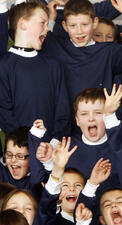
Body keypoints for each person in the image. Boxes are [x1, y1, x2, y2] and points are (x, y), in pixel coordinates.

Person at [33, 85, 122, 199]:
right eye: (84, 114)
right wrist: (49, 163)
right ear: (77, 120)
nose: (91, 118)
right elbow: (54, 195)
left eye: (98, 113)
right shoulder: (65, 149)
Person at [40, 0, 122, 114]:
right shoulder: (57, 48)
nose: (79, 31)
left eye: (85, 25)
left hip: (100, 122)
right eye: (73, 26)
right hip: (64, 124)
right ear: (65, 26)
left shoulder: (108, 51)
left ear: (95, 22)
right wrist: (50, 19)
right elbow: (45, 42)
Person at [0, 1, 71, 142]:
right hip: (19, 150)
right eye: (42, 23)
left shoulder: (54, 65)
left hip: (51, 150)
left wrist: (54, 141)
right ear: (23, 24)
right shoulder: (4, 66)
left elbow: (63, 110)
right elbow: (4, 112)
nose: (46, 29)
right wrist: (25, 142)